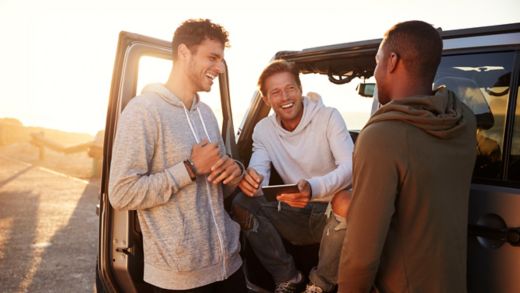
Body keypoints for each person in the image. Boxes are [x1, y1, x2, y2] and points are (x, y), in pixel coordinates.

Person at [108, 19, 247, 292]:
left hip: (229, 266)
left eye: (221, 60)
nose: (219, 68)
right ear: (184, 53)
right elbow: (121, 193)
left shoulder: (206, 113)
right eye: (213, 57)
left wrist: (234, 171)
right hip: (179, 280)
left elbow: (220, 191)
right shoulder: (143, 111)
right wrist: (190, 168)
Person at [338, 20, 477, 292]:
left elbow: (361, 257)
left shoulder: (381, 137)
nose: (375, 72)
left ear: (391, 61)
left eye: (377, 61)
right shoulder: (463, 122)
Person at [233, 60, 354, 293]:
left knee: (346, 201)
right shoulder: (263, 130)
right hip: (291, 211)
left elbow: (350, 166)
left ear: (299, 90)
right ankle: (288, 277)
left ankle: (320, 284)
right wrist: (252, 178)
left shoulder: (328, 117)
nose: (285, 97)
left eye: (290, 88)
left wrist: (312, 188)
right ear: (267, 100)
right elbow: (260, 166)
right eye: (275, 92)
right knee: (241, 203)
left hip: (329, 214)